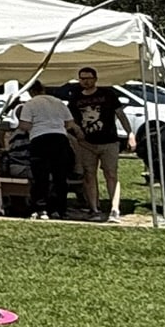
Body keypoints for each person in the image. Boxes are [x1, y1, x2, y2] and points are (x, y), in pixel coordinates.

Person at [67, 66, 133, 221]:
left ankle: (114, 209)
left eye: (88, 78)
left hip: (109, 142)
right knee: (89, 175)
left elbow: (120, 114)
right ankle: (94, 209)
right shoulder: (75, 98)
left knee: (111, 174)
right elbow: (69, 120)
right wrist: (76, 130)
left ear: (95, 79)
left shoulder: (107, 94)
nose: (86, 81)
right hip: (86, 144)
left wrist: (130, 133)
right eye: (82, 78)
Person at [20, 82, 75, 220]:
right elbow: (70, 123)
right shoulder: (58, 102)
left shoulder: (30, 104)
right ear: (43, 89)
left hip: (40, 138)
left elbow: (24, 124)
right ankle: (59, 209)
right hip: (60, 138)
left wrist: (33, 128)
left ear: (31, 92)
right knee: (60, 176)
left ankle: (41, 208)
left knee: (41, 175)